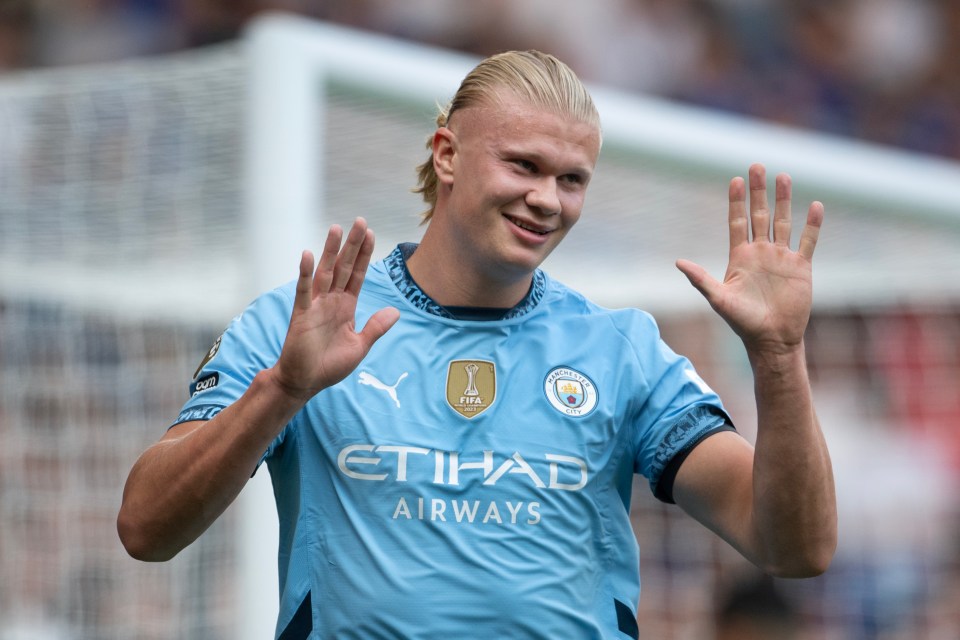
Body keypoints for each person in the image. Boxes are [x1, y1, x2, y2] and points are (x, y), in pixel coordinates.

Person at [117, 49, 837, 639]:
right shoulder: (305, 323)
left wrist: (777, 357)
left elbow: (793, 548)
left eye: (571, 179)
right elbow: (146, 528)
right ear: (448, 154)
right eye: (523, 166)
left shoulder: (621, 349)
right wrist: (283, 390)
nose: (548, 199)